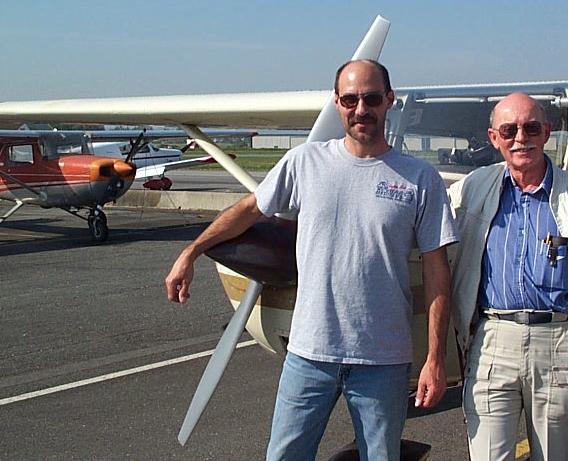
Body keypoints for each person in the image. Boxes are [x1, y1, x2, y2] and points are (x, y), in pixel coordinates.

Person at [165, 59, 458, 461]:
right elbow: (250, 210)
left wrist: (434, 359)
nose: (361, 109)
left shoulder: (421, 179)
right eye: (350, 99)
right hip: (309, 355)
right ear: (336, 103)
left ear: (389, 100)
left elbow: (437, 271)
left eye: (371, 98)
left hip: (384, 359)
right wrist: (191, 251)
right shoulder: (304, 163)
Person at [447, 92, 568, 461]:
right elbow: (423, 220)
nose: (521, 137)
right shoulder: (472, 189)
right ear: (494, 138)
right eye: (509, 130)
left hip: (560, 343)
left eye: (531, 127)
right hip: (491, 340)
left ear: (547, 132)